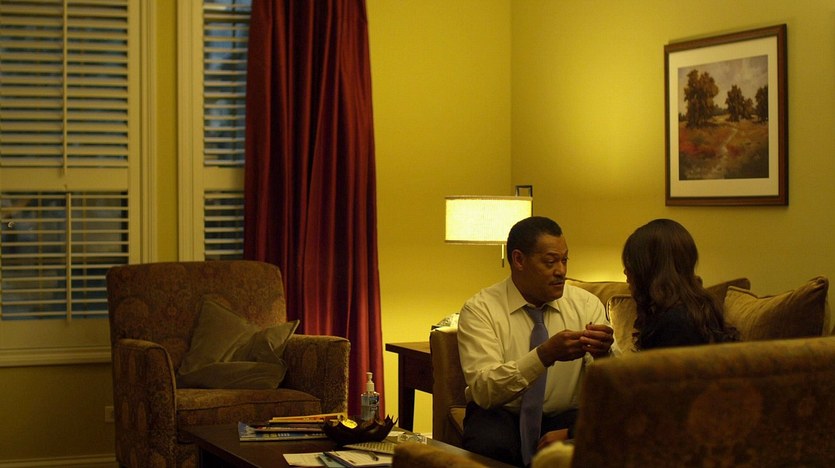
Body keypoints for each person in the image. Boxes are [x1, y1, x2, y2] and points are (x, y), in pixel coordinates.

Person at [457, 216, 616, 467]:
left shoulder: (586, 305)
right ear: (519, 260)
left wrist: (603, 355)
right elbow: (484, 390)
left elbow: (614, 387)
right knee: (489, 444)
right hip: (501, 412)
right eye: (550, 262)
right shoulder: (481, 309)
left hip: (565, 415)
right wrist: (543, 356)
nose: (561, 271)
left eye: (565, 260)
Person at [621, 218, 739, 350]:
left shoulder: (674, 324)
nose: (625, 272)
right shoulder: (698, 308)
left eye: (631, 264)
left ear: (648, 270)